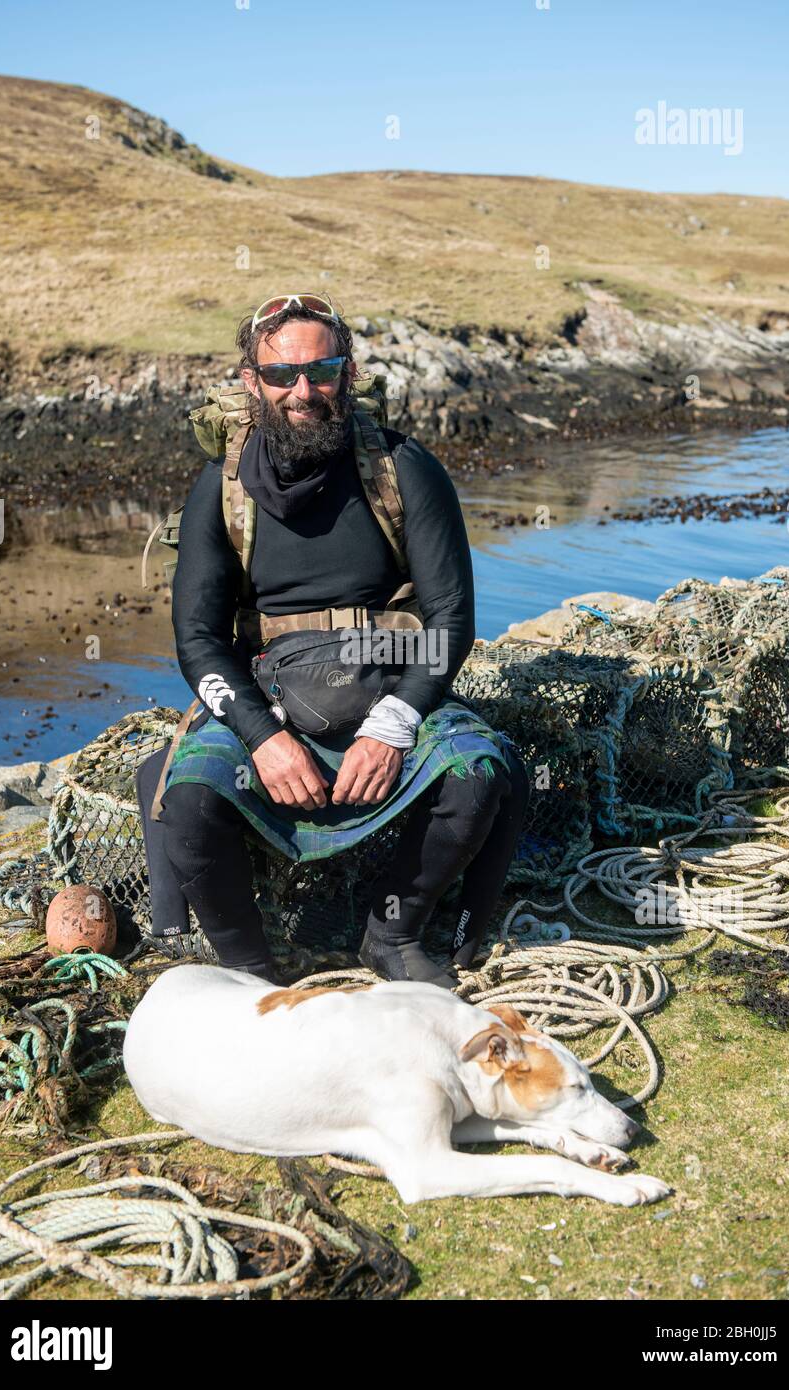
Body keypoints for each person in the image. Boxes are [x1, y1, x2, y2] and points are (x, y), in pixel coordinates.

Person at [146, 292, 529, 988]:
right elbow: (197, 640)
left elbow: (450, 619)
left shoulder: (403, 468)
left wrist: (394, 724)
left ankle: (392, 933)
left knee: (478, 775)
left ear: (348, 374)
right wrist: (262, 735)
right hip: (271, 696)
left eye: (321, 371)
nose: (303, 391)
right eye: (281, 375)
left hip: (388, 682)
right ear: (250, 382)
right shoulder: (220, 488)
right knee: (192, 799)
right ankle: (249, 969)